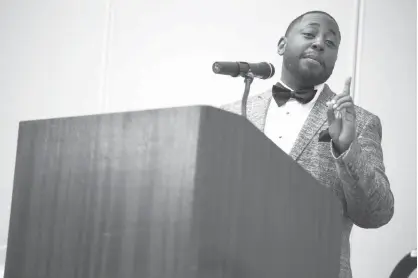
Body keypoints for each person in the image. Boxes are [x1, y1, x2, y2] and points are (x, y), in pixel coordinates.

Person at [220, 10, 394, 278]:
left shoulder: (360, 121)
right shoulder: (232, 114)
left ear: (335, 59)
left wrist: (347, 147)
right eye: (310, 34)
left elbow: (378, 213)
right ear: (282, 45)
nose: (319, 43)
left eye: (331, 42)